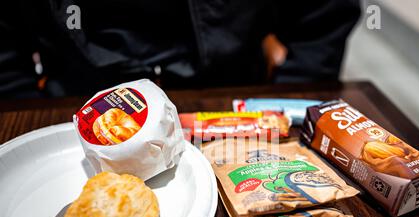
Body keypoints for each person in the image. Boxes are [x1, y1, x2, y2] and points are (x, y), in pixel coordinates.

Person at [0, 0, 360, 98]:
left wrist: (284, 108)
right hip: (79, 104)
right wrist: (28, 120)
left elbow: (324, 18)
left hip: (227, 100)